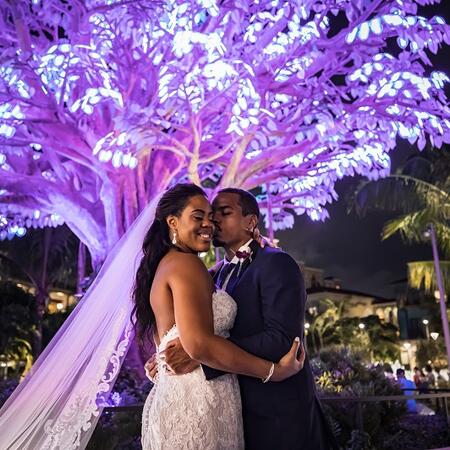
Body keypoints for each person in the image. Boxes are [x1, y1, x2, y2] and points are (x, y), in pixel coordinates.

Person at [147, 188, 337, 450]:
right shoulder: (212, 275)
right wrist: (165, 355)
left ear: (251, 221)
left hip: (277, 413)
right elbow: (195, 329)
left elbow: (282, 340)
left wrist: (200, 356)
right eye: (212, 215)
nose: (213, 221)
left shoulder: (276, 263)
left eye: (223, 213)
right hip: (230, 410)